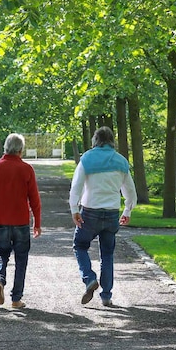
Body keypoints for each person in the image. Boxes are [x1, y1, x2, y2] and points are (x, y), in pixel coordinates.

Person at [69, 126, 137, 306]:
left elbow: (76, 186)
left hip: (90, 211)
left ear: (95, 140)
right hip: (112, 213)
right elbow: (130, 191)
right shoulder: (121, 161)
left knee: (80, 245)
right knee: (107, 254)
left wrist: (74, 209)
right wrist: (127, 210)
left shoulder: (87, 159)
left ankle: (89, 278)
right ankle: (106, 295)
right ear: (111, 140)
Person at [0, 133, 42, 309]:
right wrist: (36, 223)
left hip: (1, 221)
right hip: (21, 222)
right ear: (20, 150)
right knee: (21, 259)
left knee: (2, 253)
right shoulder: (26, 169)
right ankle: (16, 299)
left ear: (5, 148)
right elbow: (34, 200)